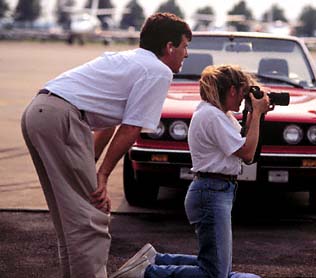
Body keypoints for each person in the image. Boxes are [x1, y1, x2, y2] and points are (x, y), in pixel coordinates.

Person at [21, 12, 192, 278]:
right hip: (62, 118)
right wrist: (101, 176)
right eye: (184, 46)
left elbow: (107, 124)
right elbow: (131, 128)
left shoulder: (128, 59)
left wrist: (92, 167)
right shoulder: (158, 70)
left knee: (71, 220)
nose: (187, 54)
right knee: (91, 217)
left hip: (40, 113)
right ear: (169, 47)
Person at [111, 65, 271, 278]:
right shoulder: (212, 116)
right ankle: (148, 272)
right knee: (215, 273)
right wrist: (258, 112)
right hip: (211, 192)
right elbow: (248, 153)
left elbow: (243, 140)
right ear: (232, 90)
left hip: (216, 191)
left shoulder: (219, 114)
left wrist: (254, 114)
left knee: (216, 265)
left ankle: (156, 260)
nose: (243, 99)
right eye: (243, 93)